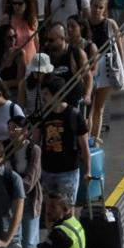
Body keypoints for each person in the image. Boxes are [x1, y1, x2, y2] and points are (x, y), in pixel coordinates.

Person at [38, 75, 92, 208]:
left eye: (46, 94)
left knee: (67, 209)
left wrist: (88, 170)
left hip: (68, 171)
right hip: (47, 170)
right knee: (49, 209)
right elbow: (36, 141)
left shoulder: (74, 115)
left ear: (56, 94)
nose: (43, 97)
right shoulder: (43, 115)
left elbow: (84, 146)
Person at [6, 115, 43, 248]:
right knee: (17, 244)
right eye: (10, 128)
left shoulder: (34, 150)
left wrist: (12, 184)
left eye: (16, 128)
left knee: (29, 243)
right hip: (12, 203)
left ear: (26, 131)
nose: (12, 132)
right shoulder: (7, 149)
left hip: (30, 202)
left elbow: (31, 180)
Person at [85, 0, 124, 140]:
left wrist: (121, 65)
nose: (97, 10)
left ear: (105, 9)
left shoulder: (110, 24)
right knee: (88, 106)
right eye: (95, 6)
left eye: (100, 7)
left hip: (106, 66)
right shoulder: (85, 22)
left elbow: (120, 46)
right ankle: (86, 137)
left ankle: (95, 137)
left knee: (99, 107)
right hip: (89, 66)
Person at [0, 19, 29, 96]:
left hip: (13, 92)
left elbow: (20, 80)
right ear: (2, 39)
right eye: (9, 38)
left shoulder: (19, 53)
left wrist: (1, 84)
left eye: (15, 36)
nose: (13, 40)